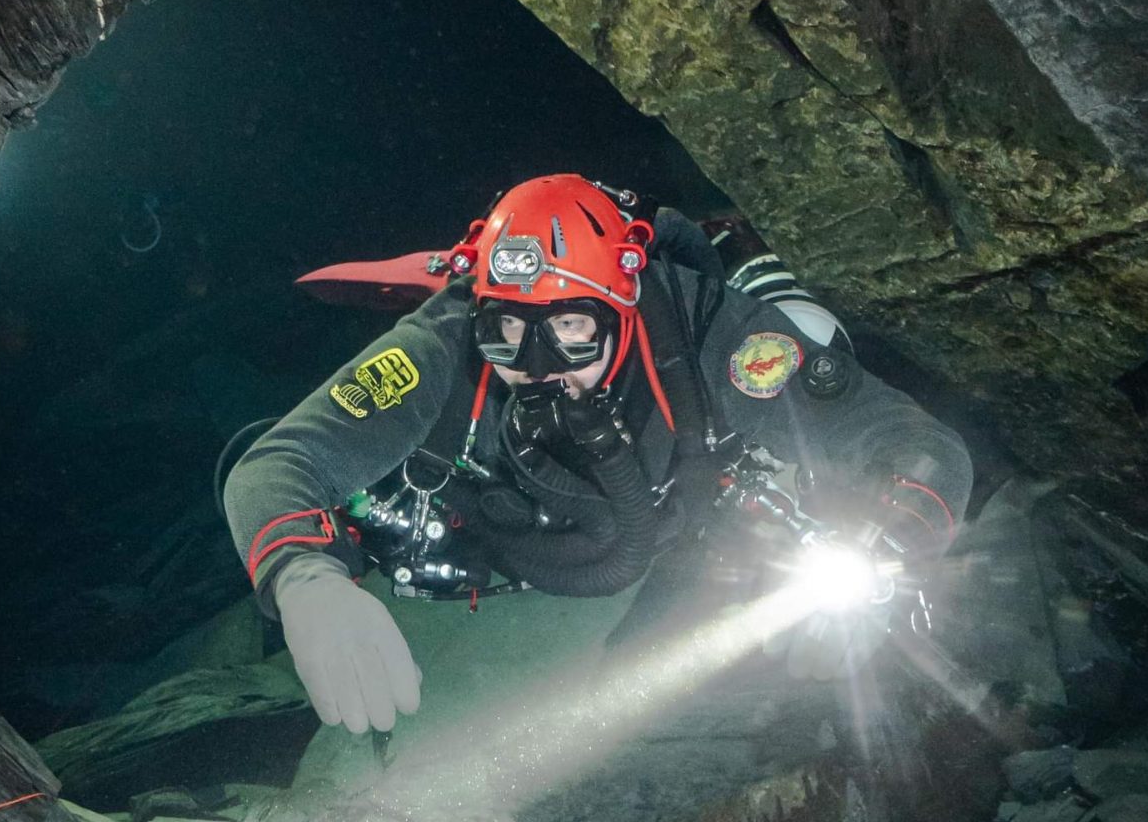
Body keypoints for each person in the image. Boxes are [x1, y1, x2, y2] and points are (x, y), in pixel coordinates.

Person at [223, 174, 973, 745]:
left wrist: (879, 553)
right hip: (512, 534)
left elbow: (919, 446)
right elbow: (278, 462)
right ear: (479, 311)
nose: (539, 363)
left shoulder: (711, 330)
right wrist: (306, 579)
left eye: (574, 328)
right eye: (507, 332)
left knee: (667, 697)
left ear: (623, 301)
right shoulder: (446, 338)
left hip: (682, 531)